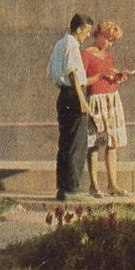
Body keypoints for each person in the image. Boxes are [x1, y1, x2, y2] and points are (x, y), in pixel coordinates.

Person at [47, 13, 94, 201]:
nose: (87, 36)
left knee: (65, 143)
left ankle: (62, 187)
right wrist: (81, 99)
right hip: (75, 95)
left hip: (64, 94)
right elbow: (73, 72)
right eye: (87, 31)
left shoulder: (60, 44)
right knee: (77, 143)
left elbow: (51, 71)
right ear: (79, 29)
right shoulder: (72, 45)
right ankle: (72, 188)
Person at [82, 21, 131, 197]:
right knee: (94, 143)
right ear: (101, 35)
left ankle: (113, 184)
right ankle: (94, 185)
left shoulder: (108, 56)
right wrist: (100, 76)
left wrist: (118, 77)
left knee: (112, 142)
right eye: (109, 40)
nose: (110, 44)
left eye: (113, 41)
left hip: (112, 98)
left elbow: (109, 75)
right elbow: (82, 81)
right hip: (95, 99)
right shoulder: (86, 54)